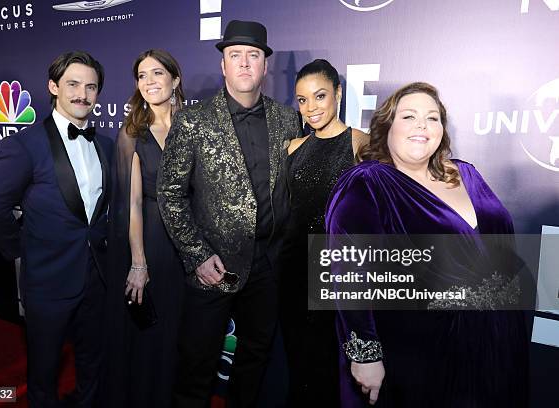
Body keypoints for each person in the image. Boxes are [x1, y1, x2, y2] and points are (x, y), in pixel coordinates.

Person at [325, 82, 529, 407]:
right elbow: (348, 271)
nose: (422, 125)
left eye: (432, 118)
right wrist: (365, 354)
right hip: (418, 351)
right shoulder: (368, 182)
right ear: (386, 127)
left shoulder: (467, 174)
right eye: (409, 116)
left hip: (495, 340)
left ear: (441, 131)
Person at [157, 19, 301, 408]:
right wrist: (197, 255)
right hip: (213, 266)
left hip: (268, 266)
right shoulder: (193, 120)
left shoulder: (288, 119)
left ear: (264, 66)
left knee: (255, 360)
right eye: (234, 55)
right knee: (196, 364)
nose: (243, 63)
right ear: (223, 65)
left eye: (252, 55)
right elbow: (169, 193)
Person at [0, 51, 112, 407]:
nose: (82, 94)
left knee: (92, 364)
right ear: (53, 87)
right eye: (72, 84)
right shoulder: (24, 145)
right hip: (47, 280)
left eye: (90, 86)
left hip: (97, 278)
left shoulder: (106, 145)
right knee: (44, 373)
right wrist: (23, 249)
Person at [279, 58, 367, 407]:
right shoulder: (293, 148)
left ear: (338, 94)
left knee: (332, 368)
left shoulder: (361, 143)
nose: (311, 108)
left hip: (336, 272)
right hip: (293, 270)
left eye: (319, 96)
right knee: (299, 365)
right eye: (302, 100)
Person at [102, 49, 185, 408]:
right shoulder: (132, 133)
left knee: (182, 332)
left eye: (157, 73)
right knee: (151, 331)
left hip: (190, 243)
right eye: (142, 75)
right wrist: (139, 262)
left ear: (175, 79)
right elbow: (132, 204)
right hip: (152, 239)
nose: (149, 81)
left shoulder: (195, 126)